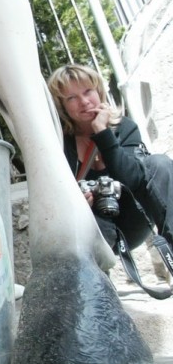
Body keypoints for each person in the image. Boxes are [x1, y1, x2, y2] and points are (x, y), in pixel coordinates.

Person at [47, 63, 173, 257]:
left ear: (98, 91)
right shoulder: (60, 142)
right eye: (72, 98)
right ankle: (95, 285)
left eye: (88, 91)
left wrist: (103, 132)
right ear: (62, 106)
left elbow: (132, 180)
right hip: (92, 227)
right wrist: (77, 202)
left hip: (134, 218)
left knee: (159, 163)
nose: (84, 101)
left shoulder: (125, 128)